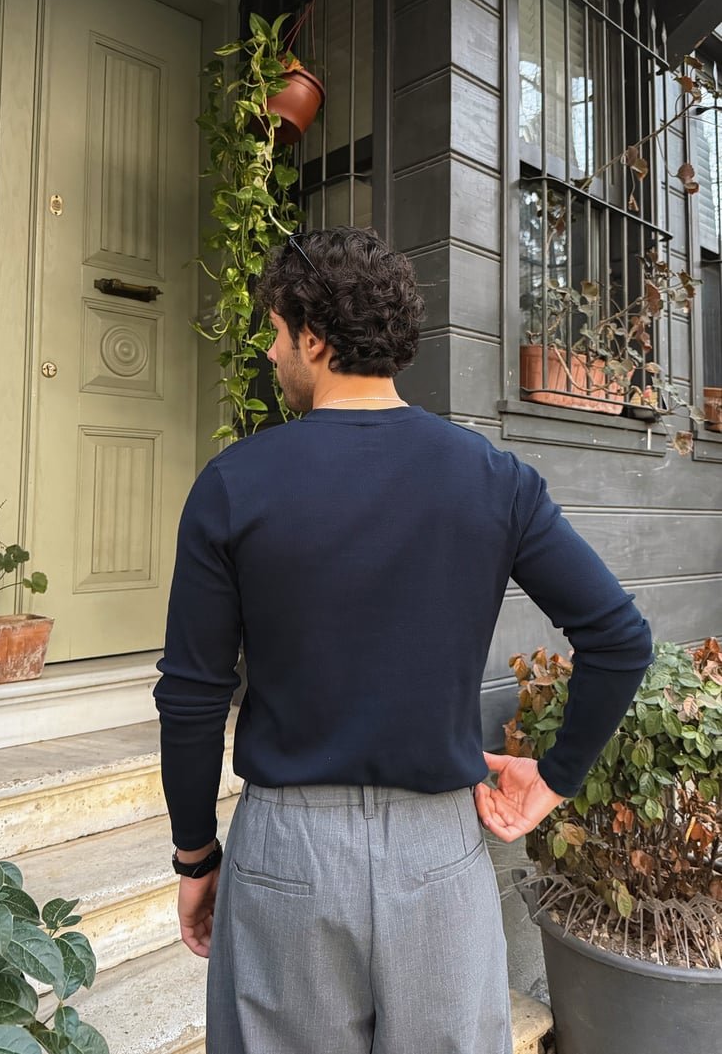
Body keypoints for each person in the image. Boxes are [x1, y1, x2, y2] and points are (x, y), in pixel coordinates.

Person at [154, 226, 653, 1054]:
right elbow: (620, 638)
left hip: (286, 856)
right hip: (439, 858)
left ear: (313, 337)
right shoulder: (492, 478)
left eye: (277, 334)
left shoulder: (234, 483)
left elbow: (193, 695)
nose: (274, 354)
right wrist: (554, 776)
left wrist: (195, 853)